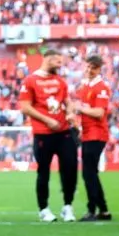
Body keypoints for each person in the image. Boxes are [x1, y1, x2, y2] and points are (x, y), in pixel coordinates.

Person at [18, 48, 78, 223]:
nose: (60, 65)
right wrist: (47, 120)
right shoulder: (30, 80)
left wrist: (71, 113)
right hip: (43, 134)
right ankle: (43, 208)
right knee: (43, 171)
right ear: (48, 59)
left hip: (64, 132)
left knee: (70, 168)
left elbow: (67, 101)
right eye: (58, 62)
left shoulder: (60, 81)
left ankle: (68, 206)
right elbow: (25, 107)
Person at [75, 55, 111, 221]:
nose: (89, 70)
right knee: (91, 173)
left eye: (93, 68)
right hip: (88, 134)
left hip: (97, 134)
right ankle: (103, 210)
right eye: (88, 67)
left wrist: (80, 108)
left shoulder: (101, 87)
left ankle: (92, 210)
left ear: (99, 69)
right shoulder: (85, 86)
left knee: (88, 174)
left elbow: (99, 113)